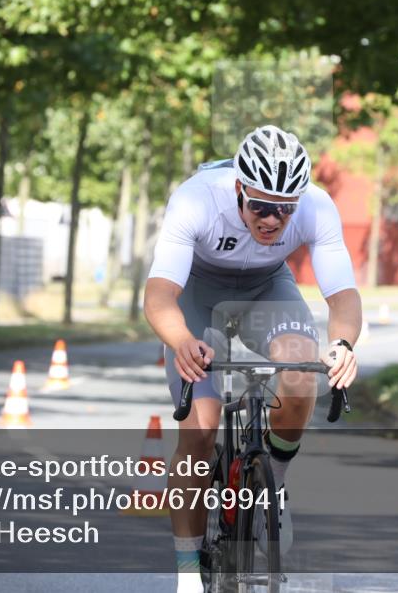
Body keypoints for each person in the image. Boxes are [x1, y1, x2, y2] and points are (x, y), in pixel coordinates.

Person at [143, 125, 362, 593]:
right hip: (198, 292)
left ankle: (273, 487)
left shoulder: (317, 206)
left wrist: (343, 346)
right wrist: (182, 340)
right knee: (199, 434)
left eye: (284, 210)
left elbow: (343, 296)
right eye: (260, 206)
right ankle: (187, 573)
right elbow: (161, 296)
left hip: (267, 288)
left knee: (302, 371)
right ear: (240, 188)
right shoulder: (196, 199)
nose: (272, 220)